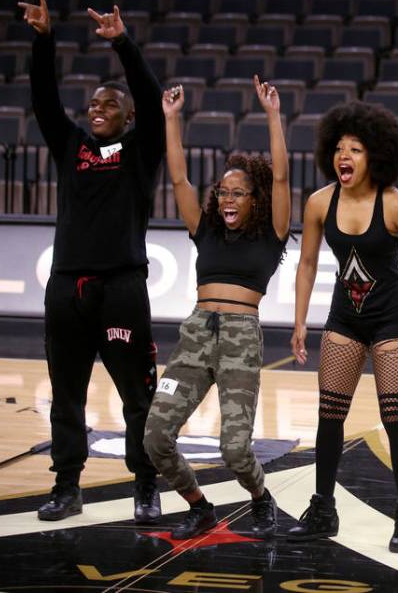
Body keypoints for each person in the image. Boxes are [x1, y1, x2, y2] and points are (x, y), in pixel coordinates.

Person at [21, 0, 163, 523]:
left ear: (126, 117)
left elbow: (150, 99)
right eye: (94, 105)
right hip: (67, 288)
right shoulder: (72, 147)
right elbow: (43, 101)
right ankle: (66, 485)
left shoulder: (139, 151)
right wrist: (43, 41)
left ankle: (145, 483)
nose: (96, 111)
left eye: (108, 106)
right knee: (66, 395)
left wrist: (122, 43)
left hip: (122, 287)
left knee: (137, 396)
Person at [142, 78, 290, 540]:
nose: (227, 199)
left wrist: (271, 115)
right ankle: (199, 507)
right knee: (155, 437)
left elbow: (283, 176)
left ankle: (261, 499)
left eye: (238, 193)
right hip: (195, 333)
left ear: (255, 199)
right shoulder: (204, 228)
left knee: (234, 450)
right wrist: (171, 119)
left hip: (241, 337)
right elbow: (179, 176)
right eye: (223, 192)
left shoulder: (272, 234)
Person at [288, 101, 398, 552]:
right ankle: (322, 508)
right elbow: (308, 261)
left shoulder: (396, 206)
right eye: (338, 148)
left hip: (392, 319)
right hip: (344, 317)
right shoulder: (319, 202)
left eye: (355, 148)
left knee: (394, 417)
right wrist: (298, 322)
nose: (343, 156)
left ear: (376, 155)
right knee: (329, 417)